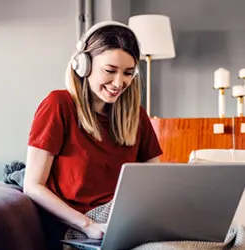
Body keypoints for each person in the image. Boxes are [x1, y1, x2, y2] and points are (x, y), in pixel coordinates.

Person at [23, 20, 162, 250]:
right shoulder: (59, 105)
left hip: (129, 220)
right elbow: (33, 185)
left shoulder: (136, 115)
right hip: (83, 227)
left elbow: (157, 181)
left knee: (234, 238)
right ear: (83, 64)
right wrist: (87, 225)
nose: (119, 83)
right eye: (110, 70)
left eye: (128, 73)